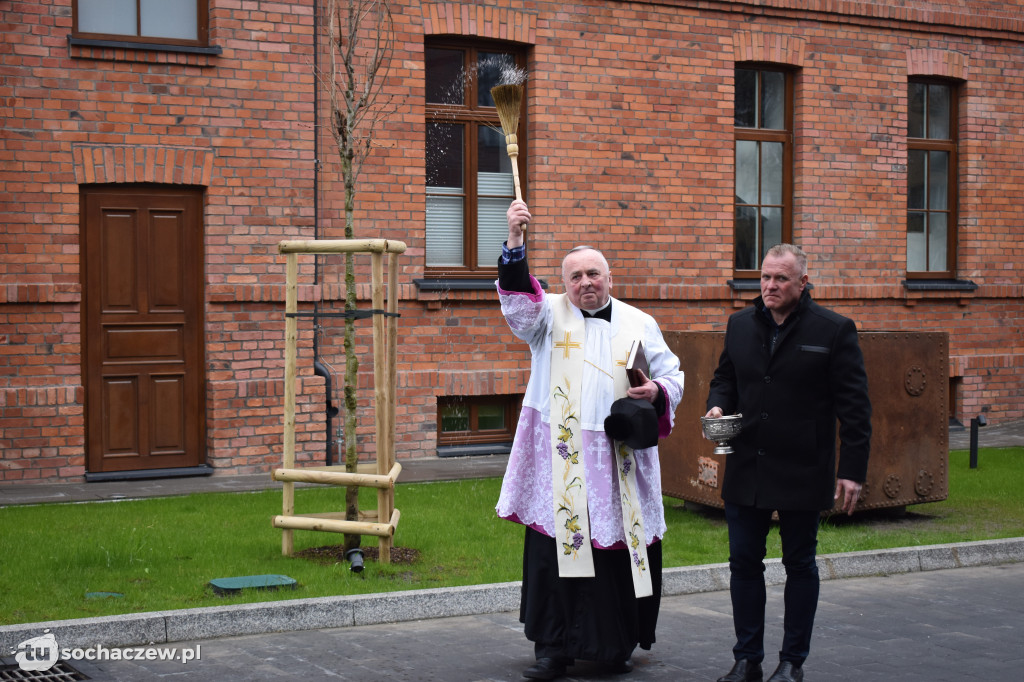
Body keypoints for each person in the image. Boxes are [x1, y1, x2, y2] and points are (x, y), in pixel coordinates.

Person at [495, 199, 685, 680]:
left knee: (613, 551)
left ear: (609, 278)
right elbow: (518, 303)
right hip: (559, 455)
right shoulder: (546, 317)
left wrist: (656, 390)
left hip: (615, 458)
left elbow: (672, 374)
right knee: (554, 549)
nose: (585, 283)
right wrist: (515, 242)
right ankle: (552, 650)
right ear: (564, 284)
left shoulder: (640, 322)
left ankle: (612, 645)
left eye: (593, 274)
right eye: (575, 276)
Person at [705, 243, 872, 682]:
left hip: (804, 465)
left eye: (780, 279)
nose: (770, 286)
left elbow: (856, 408)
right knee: (743, 563)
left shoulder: (834, 330)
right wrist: (718, 406)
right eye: (765, 277)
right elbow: (725, 378)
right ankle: (747, 660)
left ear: (802, 282)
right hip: (747, 466)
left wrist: (851, 470)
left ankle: (792, 662)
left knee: (800, 564)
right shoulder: (740, 324)